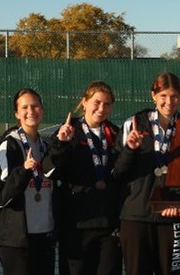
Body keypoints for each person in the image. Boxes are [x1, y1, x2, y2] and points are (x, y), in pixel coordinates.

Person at [114, 72, 180, 275]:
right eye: (163, 95)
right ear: (153, 96)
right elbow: (117, 173)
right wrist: (130, 149)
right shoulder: (134, 123)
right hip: (136, 216)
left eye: (174, 96)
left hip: (172, 216)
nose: (168, 102)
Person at [49, 80, 123, 275]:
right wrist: (61, 144)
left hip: (109, 224)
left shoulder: (115, 133)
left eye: (107, 104)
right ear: (84, 102)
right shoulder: (67, 131)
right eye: (97, 102)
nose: (102, 108)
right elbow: (51, 169)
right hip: (76, 223)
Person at [0, 88, 57, 275]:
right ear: (17, 113)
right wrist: (24, 171)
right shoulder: (8, 146)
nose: (31, 111)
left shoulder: (47, 146)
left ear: (42, 110)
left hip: (45, 235)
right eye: (24, 107)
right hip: (16, 240)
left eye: (35, 106)